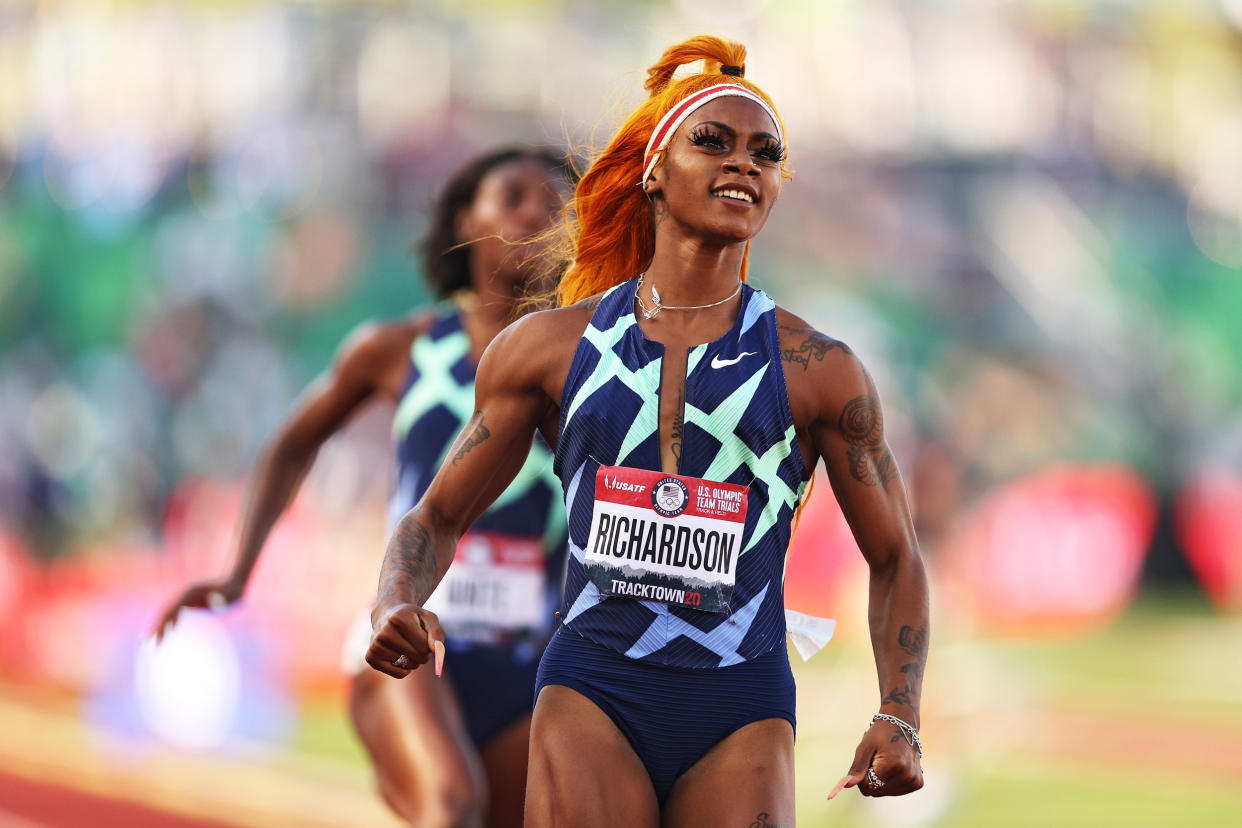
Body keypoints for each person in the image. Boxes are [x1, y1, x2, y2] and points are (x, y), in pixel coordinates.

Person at [366, 36, 929, 827]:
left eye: (765, 153)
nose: (744, 163)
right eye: (713, 141)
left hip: (743, 697)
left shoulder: (818, 369)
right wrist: (395, 597)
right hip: (595, 686)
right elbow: (434, 516)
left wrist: (898, 711)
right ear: (653, 172)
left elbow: (898, 553)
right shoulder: (546, 350)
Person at [154, 146, 574, 828]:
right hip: (405, 643)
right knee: (449, 803)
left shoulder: (588, 366)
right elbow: (293, 443)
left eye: (557, 205)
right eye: (515, 196)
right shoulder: (401, 350)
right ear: (466, 216)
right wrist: (237, 572)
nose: (537, 213)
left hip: (531, 663)